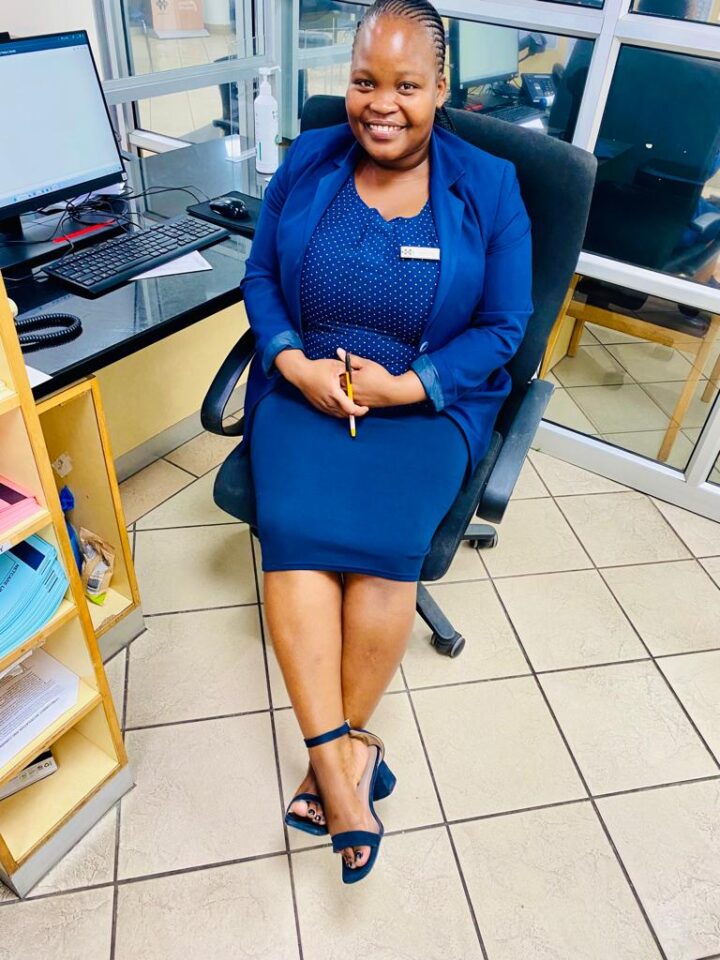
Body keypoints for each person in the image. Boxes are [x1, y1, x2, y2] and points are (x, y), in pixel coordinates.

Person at [239, 0, 533, 883]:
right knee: (293, 535)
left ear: (441, 87)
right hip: (307, 392)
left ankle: (330, 766)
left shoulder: (488, 186)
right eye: (365, 81)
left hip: (424, 405)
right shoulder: (310, 159)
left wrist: (408, 385)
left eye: (406, 85)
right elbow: (261, 276)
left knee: (385, 555)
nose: (381, 104)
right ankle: (344, 767)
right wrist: (292, 364)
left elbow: (505, 326)